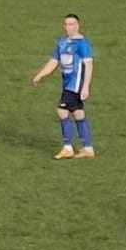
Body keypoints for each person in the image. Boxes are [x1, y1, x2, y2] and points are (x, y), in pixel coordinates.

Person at [30, 13, 96, 160]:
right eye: (66, 24)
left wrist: (86, 86)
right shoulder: (61, 42)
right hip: (67, 84)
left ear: (77, 26)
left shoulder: (82, 44)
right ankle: (88, 148)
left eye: (71, 24)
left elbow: (89, 65)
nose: (68, 27)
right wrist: (40, 75)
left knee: (62, 110)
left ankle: (67, 148)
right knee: (78, 113)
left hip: (75, 84)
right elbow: (54, 62)